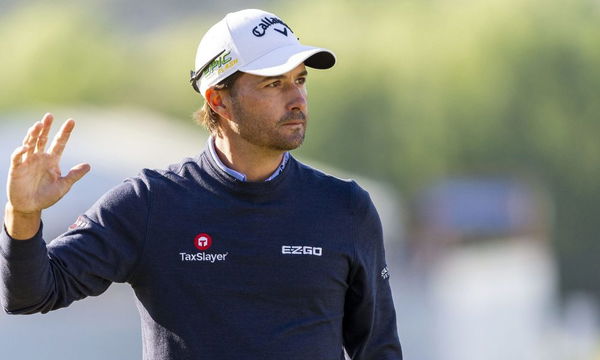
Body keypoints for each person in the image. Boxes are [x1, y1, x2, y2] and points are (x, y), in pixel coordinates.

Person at [0, 8, 403, 360]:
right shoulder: (150, 203)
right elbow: (30, 295)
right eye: (273, 83)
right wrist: (23, 214)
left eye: (300, 79)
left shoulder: (345, 207)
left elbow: (378, 350)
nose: (297, 98)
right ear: (217, 100)